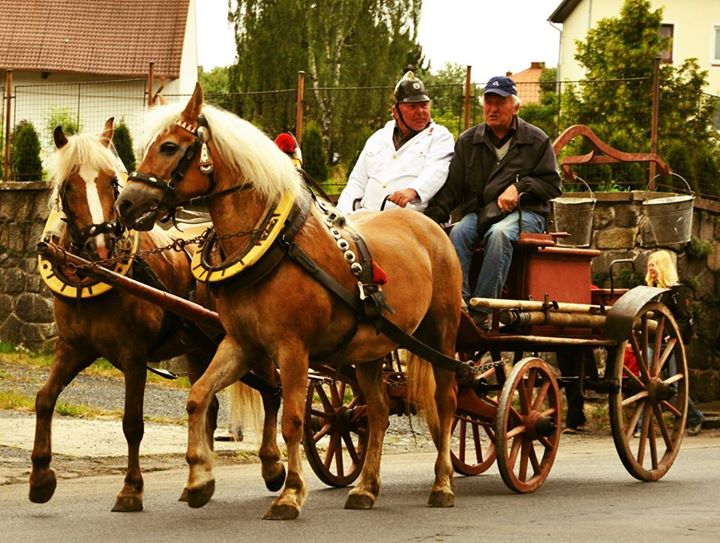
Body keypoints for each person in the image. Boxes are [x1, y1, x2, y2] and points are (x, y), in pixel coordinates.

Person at [424, 75, 562, 328]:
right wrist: (427, 222)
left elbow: (553, 185)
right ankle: (458, 304)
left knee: (499, 234)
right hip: (481, 212)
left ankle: (483, 309)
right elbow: (452, 189)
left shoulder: (536, 140)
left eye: (500, 102)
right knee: (458, 233)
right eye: (488, 102)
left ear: (516, 106)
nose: (493, 108)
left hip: (526, 213)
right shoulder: (468, 141)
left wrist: (519, 188)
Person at [336, 71, 454, 214]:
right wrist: (341, 214)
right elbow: (356, 182)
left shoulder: (440, 136)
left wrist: (413, 191)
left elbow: (437, 171)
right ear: (396, 112)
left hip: (412, 220)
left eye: (424, 105)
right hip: (365, 218)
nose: (420, 111)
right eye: (412, 106)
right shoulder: (378, 138)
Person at [643, 250, 704, 436]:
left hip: (670, 343)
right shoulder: (648, 292)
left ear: (662, 267)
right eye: (649, 265)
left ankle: (694, 418)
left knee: (675, 387)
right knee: (645, 382)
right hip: (652, 342)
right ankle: (641, 426)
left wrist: (673, 334)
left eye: (654, 264)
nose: (650, 268)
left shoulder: (676, 292)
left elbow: (684, 319)